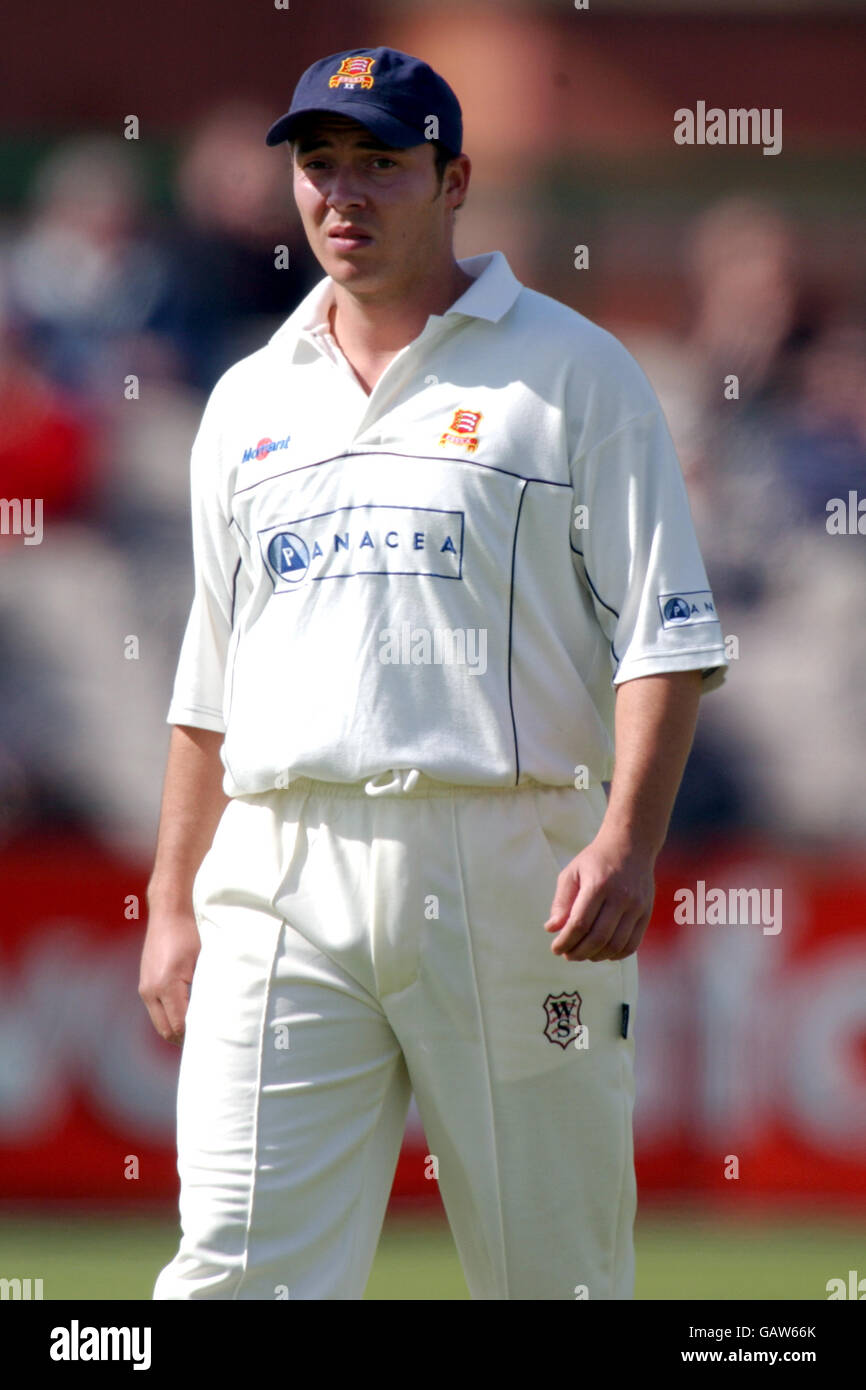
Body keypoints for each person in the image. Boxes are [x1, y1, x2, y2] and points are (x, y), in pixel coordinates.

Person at [139, 45, 728, 1301]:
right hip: (280, 866)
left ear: (453, 179)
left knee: (550, 1274)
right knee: (236, 1272)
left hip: (509, 866)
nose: (342, 195)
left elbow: (664, 636)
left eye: (379, 165)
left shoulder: (574, 373)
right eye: (318, 164)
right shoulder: (245, 399)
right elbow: (211, 679)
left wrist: (627, 838)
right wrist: (174, 896)